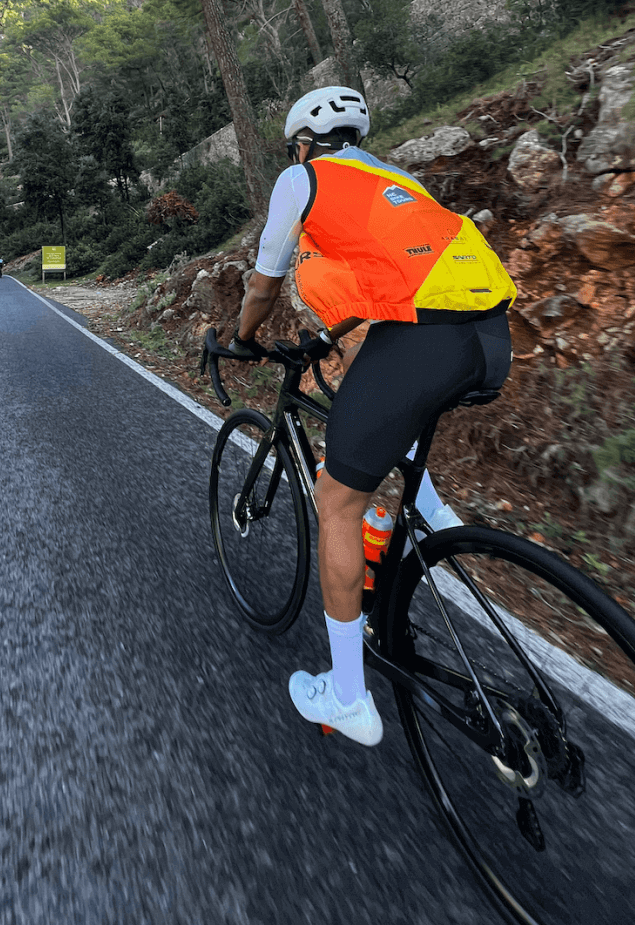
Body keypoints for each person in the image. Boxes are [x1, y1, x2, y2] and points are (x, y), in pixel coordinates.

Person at [229, 86, 516, 746]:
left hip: (427, 335)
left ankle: (350, 696)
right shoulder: (398, 179)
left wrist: (246, 335)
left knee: (336, 499)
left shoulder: (303, 177)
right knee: (388, 423)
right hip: (489, 335)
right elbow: (390, 281)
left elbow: (266, 278)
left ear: (302, 141)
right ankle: (438, 535)